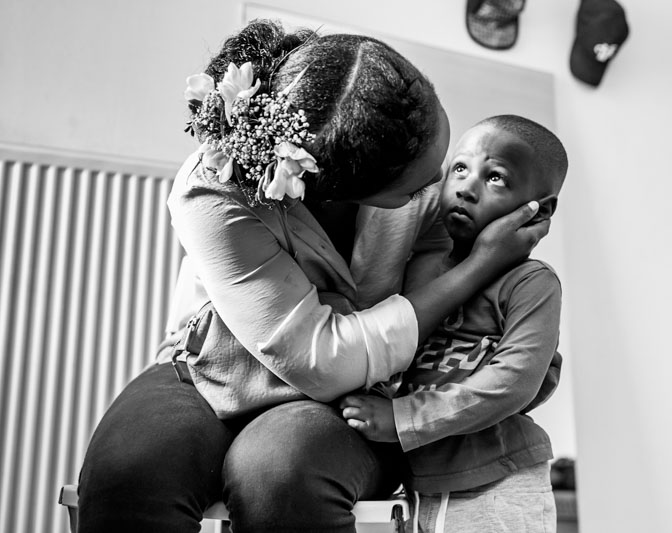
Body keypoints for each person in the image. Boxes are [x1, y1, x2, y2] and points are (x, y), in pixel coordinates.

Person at [77, 20, 549, 533]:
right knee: (127, 477)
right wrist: (480, 265)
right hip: (213, 365)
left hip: (359, 390)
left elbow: (487, 326)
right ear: (338, 190)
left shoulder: (428, 182)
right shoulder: (212, 191)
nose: (442, 187)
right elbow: (319, 359)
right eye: (417, 187)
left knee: (279, 474)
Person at [340, 114, 568, 533]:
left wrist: (403, 418)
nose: (467, 186)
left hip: (498, 478)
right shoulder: (421, 268)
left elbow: (514, 381)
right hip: (419, 485)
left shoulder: (533, 282)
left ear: (539, 210)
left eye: (495, 177)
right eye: (460, 168)